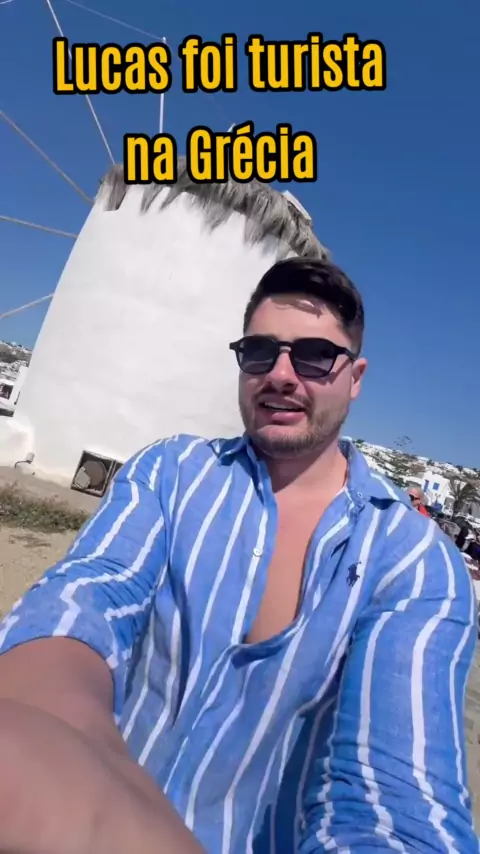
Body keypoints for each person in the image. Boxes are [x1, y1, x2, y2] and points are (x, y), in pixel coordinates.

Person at [0, 257, 477, 854]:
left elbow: (397, 802)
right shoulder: (171, 474)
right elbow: (87, 595)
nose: (281, 374)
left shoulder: (414, 562)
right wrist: (62, 740)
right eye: (260, 352)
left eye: (314, 356)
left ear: (355, 378)